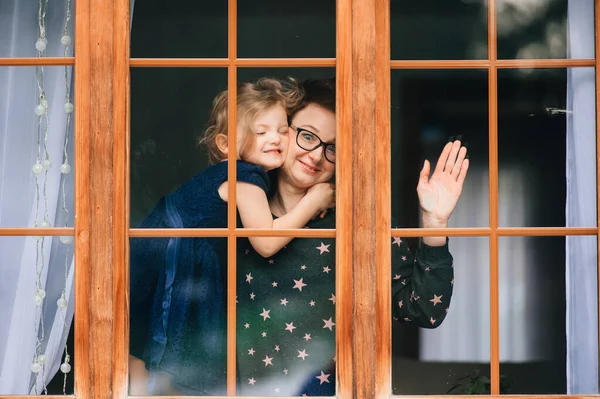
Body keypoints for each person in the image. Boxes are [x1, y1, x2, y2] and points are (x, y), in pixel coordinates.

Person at [235, 78, 468, 396]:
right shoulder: (230, 214)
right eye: (307, 136)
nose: (316, 156)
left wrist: (435, 221)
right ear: (282, 131)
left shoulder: (360, 221)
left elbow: (424, 309)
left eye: (333, 148)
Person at [128, 77, 334, 396]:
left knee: (142, 343)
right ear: (227, 144)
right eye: (261, 131)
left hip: (153, 247)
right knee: (171, 348)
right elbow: (265, 241)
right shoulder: (245, 176)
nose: (275, 138)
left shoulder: (235, 174)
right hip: (169, 254)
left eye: (282, 129)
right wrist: (313, 201)